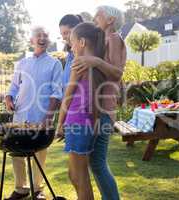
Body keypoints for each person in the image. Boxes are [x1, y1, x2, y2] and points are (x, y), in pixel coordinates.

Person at [71, 5, 127, 200]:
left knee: (98, 164)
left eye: (98, 15)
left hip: (104, 108)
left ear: (110, 20)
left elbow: (118, 73)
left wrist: (95, 61)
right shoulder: (103, 41)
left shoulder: (114, 38)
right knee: (96, 164)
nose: (94, 17)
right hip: (99, 107)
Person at [4, 26, 63, 200]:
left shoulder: (54, 63)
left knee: (40, 153)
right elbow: (14, 86)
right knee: (17, 151)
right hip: (20, 114)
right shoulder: (23, 63)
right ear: (31, 40)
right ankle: (21, 189)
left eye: (46, 35)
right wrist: (8, 97)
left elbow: (56, 92)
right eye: (39, 35)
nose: (43, 38)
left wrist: (49, 116)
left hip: (41, 116)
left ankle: (38, 189)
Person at [56, 22, 106, 200]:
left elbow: (67, 96)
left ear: (82, 42)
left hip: (77, 122)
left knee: (80, 177)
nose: (71, 45)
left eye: (72, 41)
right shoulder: (98, 64)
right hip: (85, 124)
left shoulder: (78, 63)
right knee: (74, 174)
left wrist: (59, 124)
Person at [59, 14, 83, 89]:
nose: (63, 38)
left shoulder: (83, 56)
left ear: (77, 29)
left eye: (66, 33)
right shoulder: (70, 55)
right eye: (62, 34)